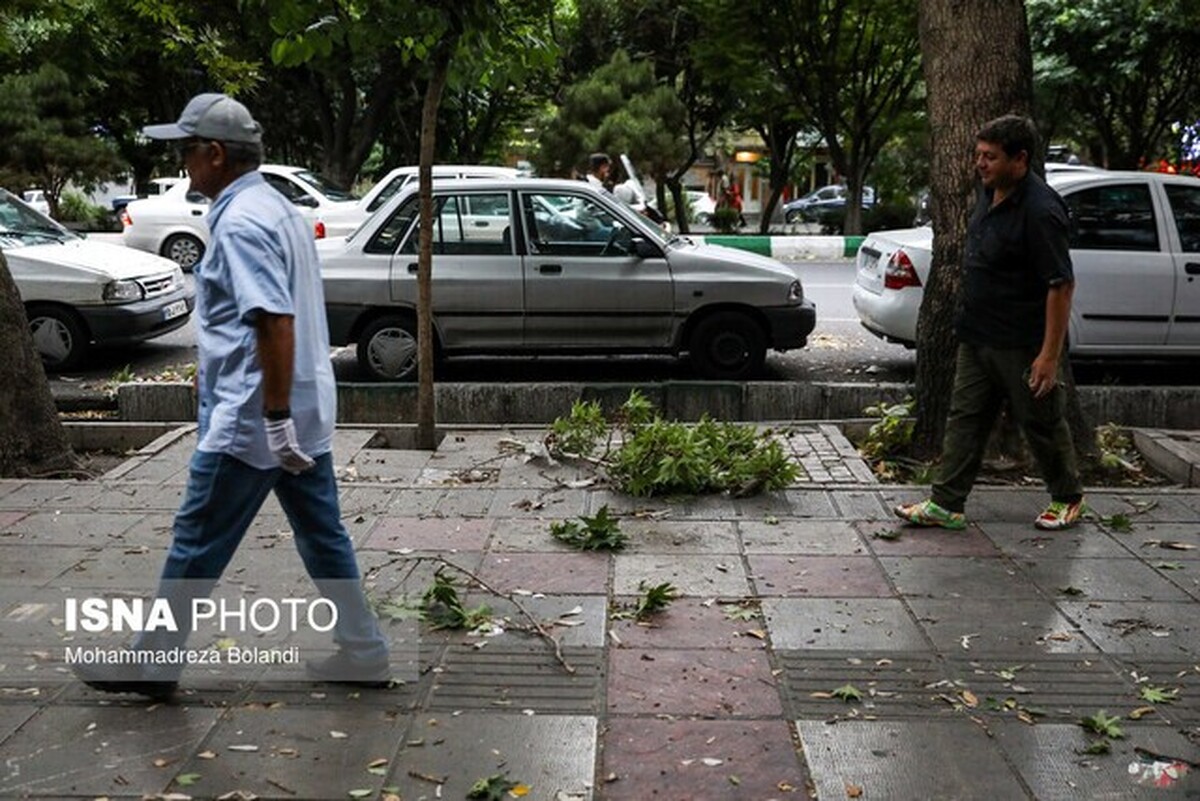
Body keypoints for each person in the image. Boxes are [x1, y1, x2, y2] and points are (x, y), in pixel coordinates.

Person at [74, 93, 389, 700]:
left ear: (215, 154)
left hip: (255, 416)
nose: (183, 162)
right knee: (323, 533)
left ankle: (154, 663)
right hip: (301, 404)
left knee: (197, 536)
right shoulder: (275, 207)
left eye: (187, 151)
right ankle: (364, 650)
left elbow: (273, 320)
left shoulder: (243, 222)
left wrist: (271, 418)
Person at [895, 114, 1086, 532]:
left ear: (1020, 160)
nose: (980, 164)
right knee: (964, 417)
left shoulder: (1041, 211)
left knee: (1040, 422)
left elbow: (1061, 285)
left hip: (1021, 341)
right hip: (977, 334)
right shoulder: (990, 192)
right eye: (978, 155)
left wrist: (1048, 357)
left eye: (990, 157)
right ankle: (947, 503)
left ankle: (1067, 497)